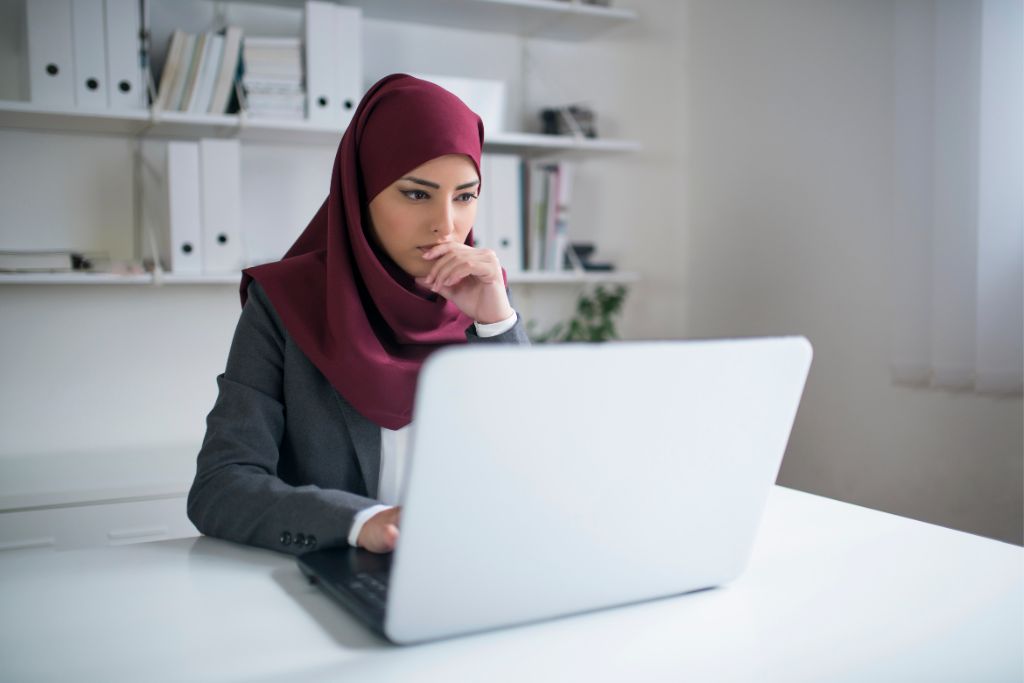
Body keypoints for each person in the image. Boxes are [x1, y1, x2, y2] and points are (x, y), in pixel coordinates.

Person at [187, 73, 530, 556]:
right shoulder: (285, 303)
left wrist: (497, 325)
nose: (446, 225)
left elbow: (535, 471)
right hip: (327, 579)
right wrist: (362, 522)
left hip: (467, 569)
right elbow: (220, 488)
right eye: (416, 193)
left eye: (465, 196)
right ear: (360, 192)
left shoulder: (483, 298)